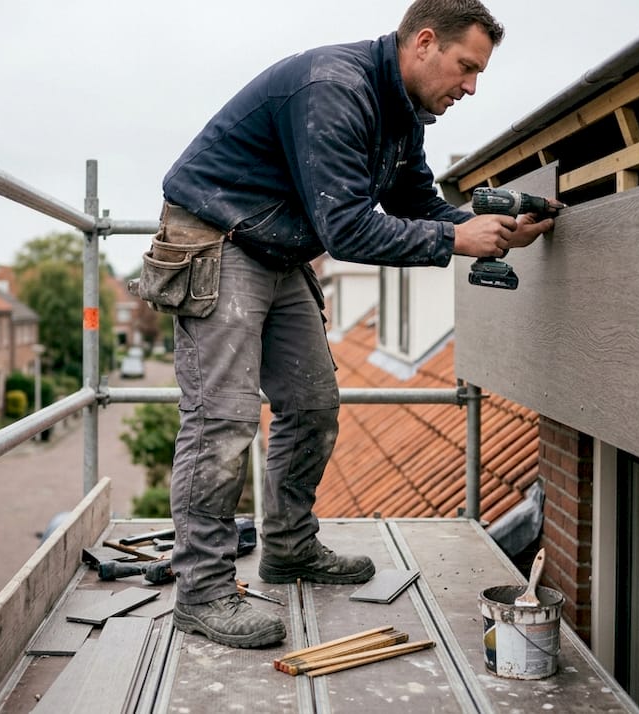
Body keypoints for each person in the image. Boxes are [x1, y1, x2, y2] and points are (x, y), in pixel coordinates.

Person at [158, 0, 556, 649]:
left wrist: (495, 231)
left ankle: (288, 547)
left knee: (312, 402)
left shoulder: (401, 114)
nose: (471, 87)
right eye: (465, 67)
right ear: (423, 42)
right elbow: (346, 229)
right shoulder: (336, 90)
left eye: (479, 74)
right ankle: (202, 591)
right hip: (219, 238)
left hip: (278, 247)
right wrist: (457, 243)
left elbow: (417, 205)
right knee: (223, 418)